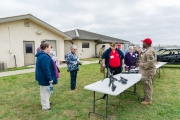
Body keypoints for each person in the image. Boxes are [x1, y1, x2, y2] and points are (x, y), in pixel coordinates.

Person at [35, 42, 58, 110]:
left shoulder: (42, 55)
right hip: (45, 78)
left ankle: (45, 102)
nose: (50, 49)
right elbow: (46, 69)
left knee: (44, 91)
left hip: (42, 77)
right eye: (49, 47)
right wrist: (49, 78)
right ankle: (45, 107)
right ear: (46, 48)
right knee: (45, 92)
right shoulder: (44, 56)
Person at [136, 38, 157, 105]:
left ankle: (148, 100)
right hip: (147, 71)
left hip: (148, 72)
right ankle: (146, 97)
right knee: (146, 85)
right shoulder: (149, 50)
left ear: (146, 44)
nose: (142, 44)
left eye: (143, 42)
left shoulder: (149, 52)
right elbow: (148, 61)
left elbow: (150, 63)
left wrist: (140, 64)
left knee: (147, 85)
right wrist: (141, 61)